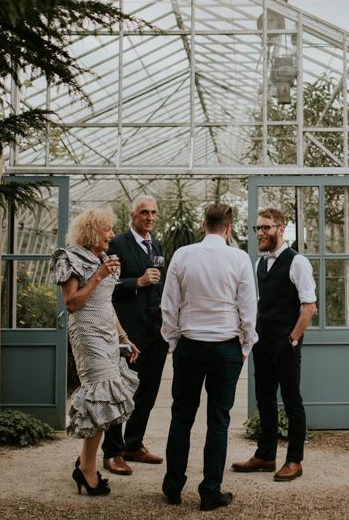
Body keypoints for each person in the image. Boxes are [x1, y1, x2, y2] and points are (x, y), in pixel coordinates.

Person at [160, 203, 258, 511]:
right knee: (219, 421)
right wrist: (245, 346)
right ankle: (210, 491)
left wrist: (174, 342)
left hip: (189, 346)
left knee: (181, 417)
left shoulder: (183, 255)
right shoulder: (240, 258)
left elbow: (168, 304)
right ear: (228, 228)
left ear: (204, 225)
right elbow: (248, 308)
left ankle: (173, 487)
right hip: (225, 348)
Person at [51, 209, 140, 497]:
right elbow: (72, 303)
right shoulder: (69, 257)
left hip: (107, 335)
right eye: (107, 230)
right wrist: (99, 276)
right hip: (87, 336)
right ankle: (87, 467)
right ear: (91, 231)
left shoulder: (101, 258)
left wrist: (124, 337)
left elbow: (106, 304)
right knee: (100, 397)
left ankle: (85, 463)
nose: (112, 235)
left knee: (107, 399)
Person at [232, 207, 317, 482]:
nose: (260, 232)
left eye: (266, 227)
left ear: (281, 229)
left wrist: (292, 339)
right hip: (262, 342)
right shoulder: (259, 263)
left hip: (286, 344)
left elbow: (309, 306)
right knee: (264, 399)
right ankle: (266, 455)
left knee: (292, 401)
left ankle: (295, 460)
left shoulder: (297, 262)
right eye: (258, 228)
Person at [102, 195, 168, 475]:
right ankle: (112, 451)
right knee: (121, 391)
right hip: (129, 332)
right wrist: (137, 282)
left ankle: (134, 444)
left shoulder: (157, 244)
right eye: (144, 212)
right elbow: (105, 286)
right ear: (133, 214)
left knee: (148, 392)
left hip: (157, 332)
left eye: (153, 212)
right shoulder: (117, 244)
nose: (149, 217)